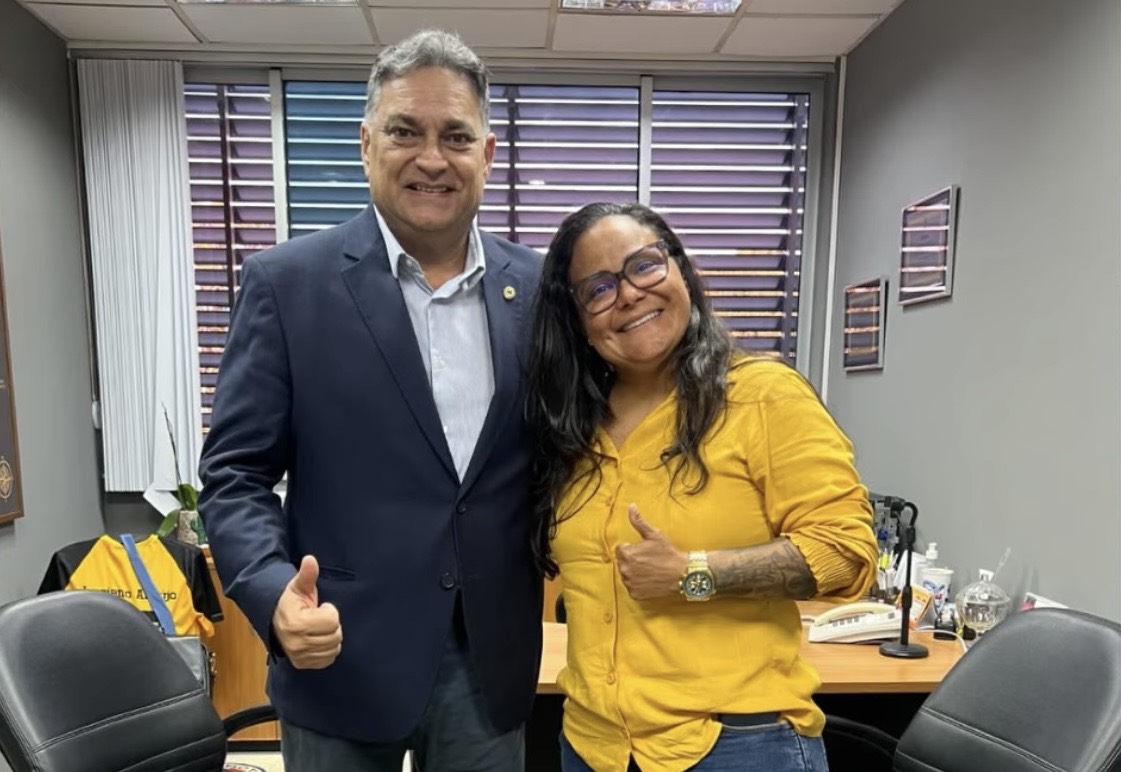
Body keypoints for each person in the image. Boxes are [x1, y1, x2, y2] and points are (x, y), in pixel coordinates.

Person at [198, 29, 543, 772]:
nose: (431, 158)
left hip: (489, 666)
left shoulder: (541, 290)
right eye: (404, 132)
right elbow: (234, 476)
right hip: (339, 655)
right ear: (365, 144)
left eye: (456, 136)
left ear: (487, 155)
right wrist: (272, 594)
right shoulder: (286, 284)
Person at [527, 202, 879, 772]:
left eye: (644, 266)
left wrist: (694, 574)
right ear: (578, 320)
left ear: (682, 272)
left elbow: (847, 555)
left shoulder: (761, 396)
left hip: (739, 746)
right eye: (598, 289)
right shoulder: (571, 429)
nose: (629, 294)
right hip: (593, 746)